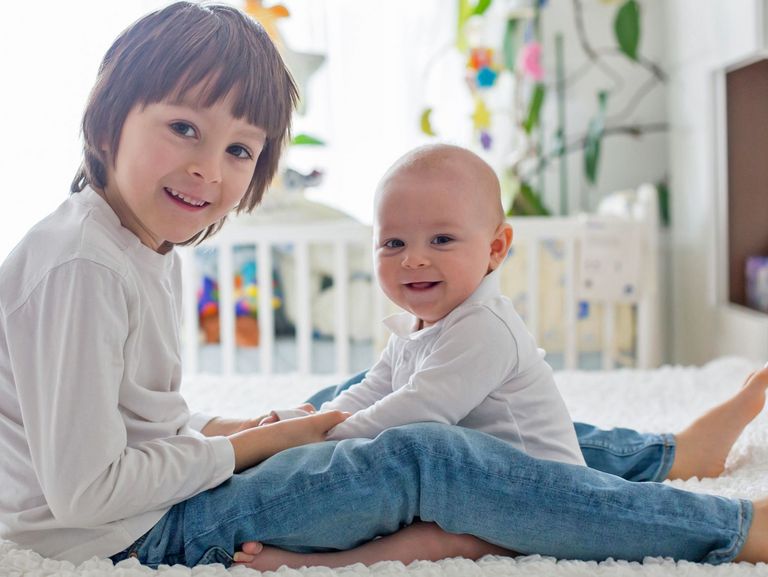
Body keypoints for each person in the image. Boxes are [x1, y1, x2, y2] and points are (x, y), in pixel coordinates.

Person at [1, 1, 767, 570]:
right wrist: (248, 447)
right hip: (135, 532)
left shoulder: (137, 242)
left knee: (382, 398)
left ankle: (664, 454)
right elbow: (88, 492)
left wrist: (251, 427)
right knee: (429, 453)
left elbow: (143, 423)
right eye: (183, 129)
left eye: (239, 149)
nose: (208, 168)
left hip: (152, 498)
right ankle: (729, 529)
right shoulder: (83, 267)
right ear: (109, 119)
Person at [265, 144, 585, 471]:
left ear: (495, 248)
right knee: (349, 394)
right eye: (394, 243)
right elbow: (371, 392)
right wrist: (311, 423)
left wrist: (320, 438)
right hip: (480, 481)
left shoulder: (485, 327)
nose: (413, 259)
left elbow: (415, 410)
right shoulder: (413, 327)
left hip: (541, 487)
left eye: (441, 240)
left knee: (397, 460)